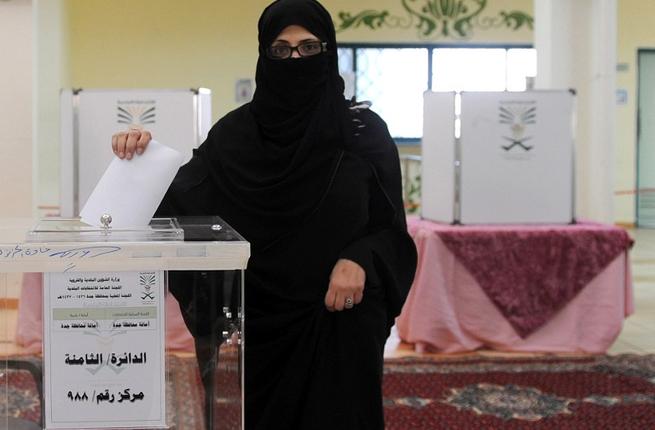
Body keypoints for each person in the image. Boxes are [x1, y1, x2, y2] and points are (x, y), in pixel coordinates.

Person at [111, 0, 417, 428]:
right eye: (281, 49)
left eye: (309, 48)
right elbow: (174, 205)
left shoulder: (363, 133)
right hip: (257, 327)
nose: (296, 59)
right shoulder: (234, 136)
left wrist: (361, 258)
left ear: (328, 52)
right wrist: (138, 157)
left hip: (340, 320)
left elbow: (391, 231)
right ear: (263, 56)